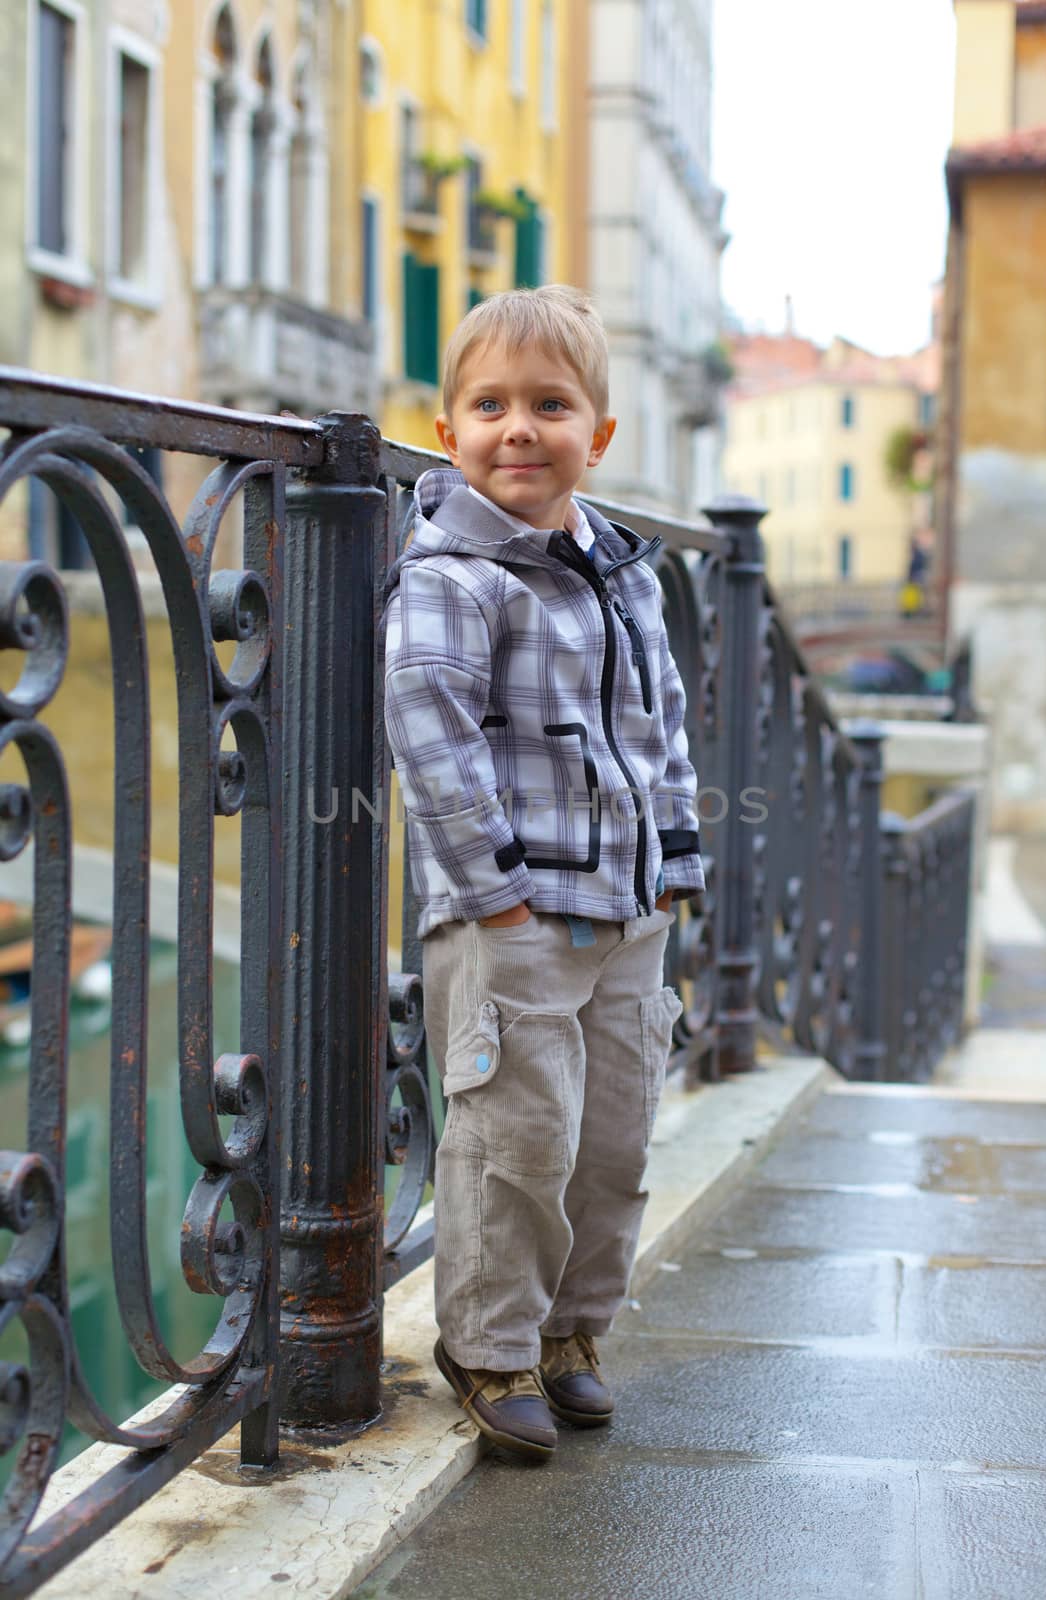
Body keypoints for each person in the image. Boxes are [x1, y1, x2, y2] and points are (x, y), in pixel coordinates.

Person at [382, 284, 704, 1461]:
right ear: (447, 429)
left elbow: (662, 722)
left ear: (597, 436)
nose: (518, 429)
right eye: (489, 406)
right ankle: (490, 1342)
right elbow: (430, 733)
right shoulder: (451, 576)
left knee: (612, 1138)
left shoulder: (625, 573)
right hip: (509, 916)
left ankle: (573, 1331)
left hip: (626, 912)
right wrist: (497, 890)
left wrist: (673, 858)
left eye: (549, 406)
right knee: (514, 1140)